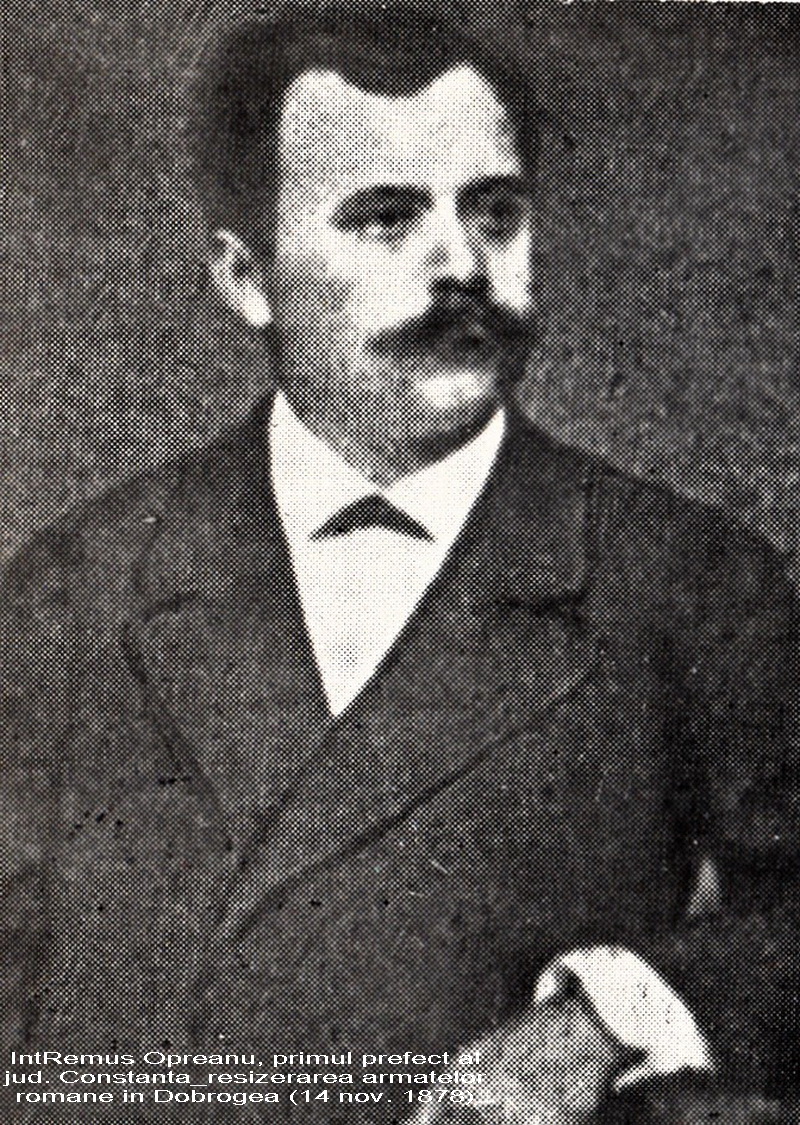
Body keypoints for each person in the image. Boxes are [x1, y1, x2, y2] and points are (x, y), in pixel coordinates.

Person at [1, 5, 798, 1123]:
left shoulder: (688, 582)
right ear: (246, 277)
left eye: (495, 212)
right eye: (386, 219)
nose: (462, 265)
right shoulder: (74, 588)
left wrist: (610, 1014)